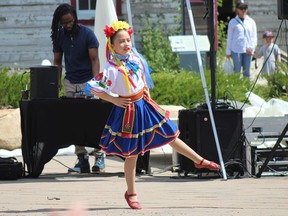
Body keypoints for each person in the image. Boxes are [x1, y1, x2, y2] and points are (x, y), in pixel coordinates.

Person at [85, 21, 220, 210]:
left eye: (128, 40)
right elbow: (92, 88)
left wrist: (146, 89)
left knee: (170, 134)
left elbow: (142, 76)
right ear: (112, 45)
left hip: (144, 105)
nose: (126, 44)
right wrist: (114, 100)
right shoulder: (111, 68)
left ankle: (199, 160)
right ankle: (131, 192)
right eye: (121, 41)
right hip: (128, 111)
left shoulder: (135, 59)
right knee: (131, 154)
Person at [50, 3, 105, 174]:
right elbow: (58, 61)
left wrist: (96, 82)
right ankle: (82, 159)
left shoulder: (87, 34)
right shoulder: (60, 36)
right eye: (64, 23)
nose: (68, 25)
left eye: (70, 21)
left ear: (75, 18)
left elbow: (95, 59)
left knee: (93, 120)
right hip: (70, 82)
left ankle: (99, 156)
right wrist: (57, 81)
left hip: (88, 81)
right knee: (74, 122)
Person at [226, 1, 257, 78]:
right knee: (237, 71)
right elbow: (230, 38)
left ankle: (246, 89)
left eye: (245, 8)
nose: (243, 10)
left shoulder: (251, 22)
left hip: (248, 50)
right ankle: (237, 89)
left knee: (247, 72)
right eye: (241, 8)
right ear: (237, 9)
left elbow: (254, 36)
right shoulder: (232, 22)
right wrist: (228, 52)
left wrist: (252, 48)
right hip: (236, 49)